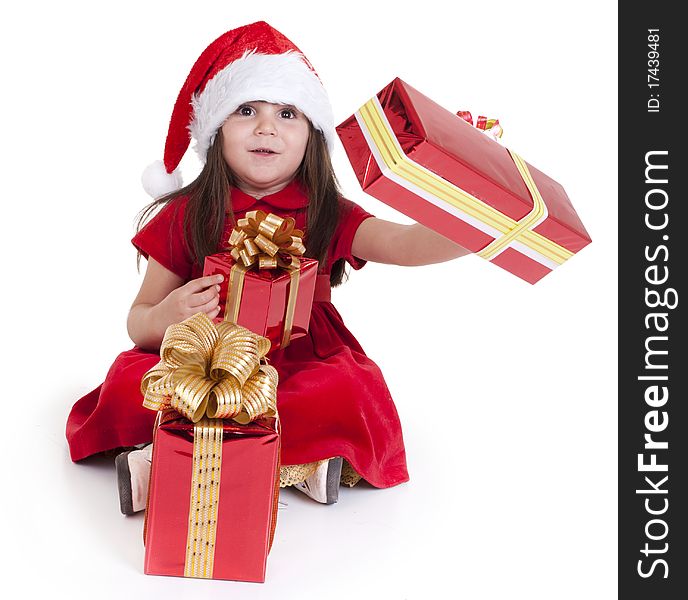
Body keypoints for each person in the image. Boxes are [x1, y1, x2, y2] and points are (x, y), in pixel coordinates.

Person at [65, 21, 469, 513]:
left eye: (287, 112)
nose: (266, 127)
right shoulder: (186, 213)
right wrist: (165, 315)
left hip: (297, 359)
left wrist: (473, 212)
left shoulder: (327, 210)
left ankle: (292, 464)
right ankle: (171, 460)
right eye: (246, 110)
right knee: (134, 380)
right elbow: (140, 318)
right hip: (200, 357)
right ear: (215, 131)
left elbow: (406, 244)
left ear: (311, 136)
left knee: (340, 388)